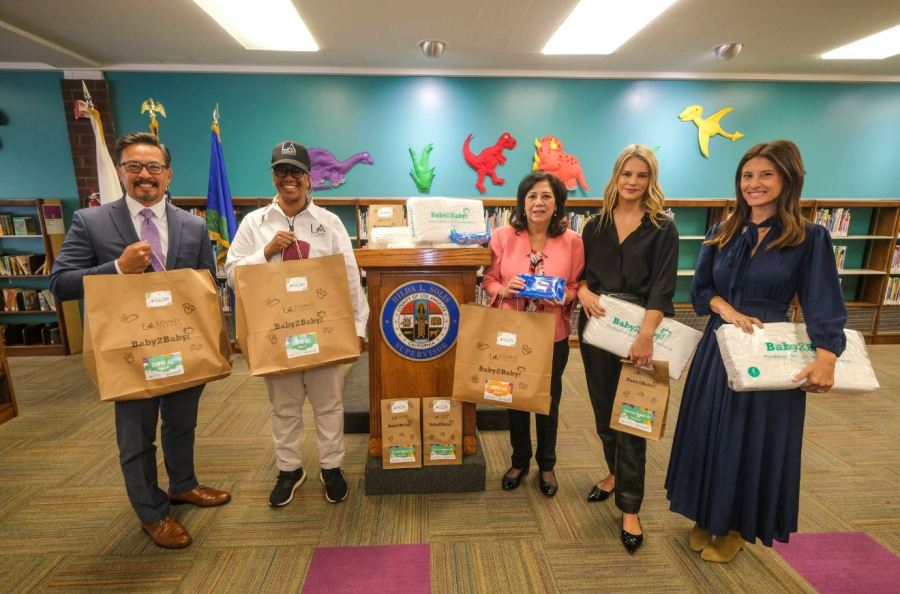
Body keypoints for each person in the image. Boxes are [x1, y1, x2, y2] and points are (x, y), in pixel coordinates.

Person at [665, 140, 847, 562]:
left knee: (752, 439)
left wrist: (826, 357)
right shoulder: (721, 232)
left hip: (768, 351)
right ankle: (706, 513)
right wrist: (725, 308)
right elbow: (701, 290)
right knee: (708, 430)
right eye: (748, 175)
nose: (754, 184)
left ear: (787, 179)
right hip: (719, 345)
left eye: (766, 174)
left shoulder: (809, 238)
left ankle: (737, 524)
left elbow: (822, 302)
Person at [50, 132, 231, 549]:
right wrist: (116, 267)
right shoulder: (90, 221)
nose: (144, 175)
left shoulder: (193, 224)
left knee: (182, 423)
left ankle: (183, 484)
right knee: (137, 435)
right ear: (121, 173)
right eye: (134, 166)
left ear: (168, 175)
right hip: (131, 352)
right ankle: (152, 513)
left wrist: (214, 342)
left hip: (182, 346)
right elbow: (60, 283)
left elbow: (205, 286)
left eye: (153, 167)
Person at [225, 140, 369, 507]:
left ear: (309, 178)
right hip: (277, 332)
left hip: (322, 330)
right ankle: (289, 469)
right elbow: (230, 275)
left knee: (329, 404)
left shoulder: (330, 223)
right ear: (273, 176)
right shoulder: (254, 223)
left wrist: (358, 326)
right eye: (281, 171)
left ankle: (331, 466)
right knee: (284, 407)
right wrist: (266, 252)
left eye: (296, 172)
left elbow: (349, 277)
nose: (289, 179)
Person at [577, 144, 678, 554]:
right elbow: (582, 276)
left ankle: (630, 508)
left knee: (632, 418)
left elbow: (663, 287)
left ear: (650, 180)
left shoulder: (662, 227)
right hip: (597, 326)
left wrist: (646, 335)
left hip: (640, 328)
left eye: (641, 175)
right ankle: (614, 473)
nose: (632, 182)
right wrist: (582, 290)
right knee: (604, 411)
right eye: (626, 174)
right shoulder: (594, 226)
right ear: (616, 177)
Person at [481, 170, 584, 498]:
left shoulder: (573, 241)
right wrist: (504, 289)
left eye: (546, 197)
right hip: (513, 333)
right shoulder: (502, 236)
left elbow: (576, 286)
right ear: (522, 203)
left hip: (552, 334)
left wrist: (565, 296)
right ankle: (519, 459)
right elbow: (489, 281)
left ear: (557, 204)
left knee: (548, 399)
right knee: (514, 396)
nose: (539, 203)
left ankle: (547, 462)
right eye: (532, 196)